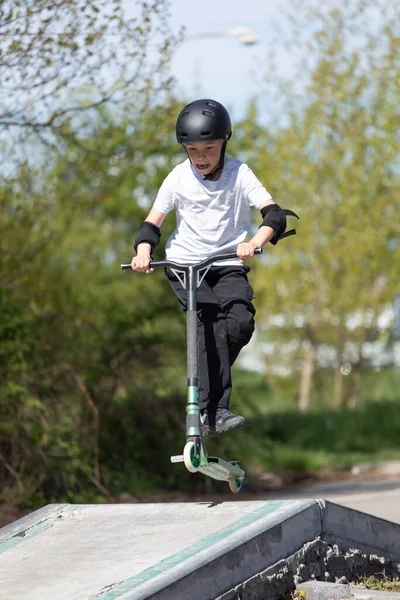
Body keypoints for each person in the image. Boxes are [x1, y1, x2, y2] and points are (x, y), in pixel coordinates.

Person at [131, 99, 297, 435]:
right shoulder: (177, 178)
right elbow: (151, 224)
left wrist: (256, 241)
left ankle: (209, 391)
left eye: (209, 147)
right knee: (207, 323)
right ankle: (214, 411)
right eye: (193, 149)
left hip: (226, 263)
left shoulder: (240, 174)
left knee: (238, 325)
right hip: (184, 264)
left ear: (224, 142)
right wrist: (144, 250)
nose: (201, 156)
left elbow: (274, 215)